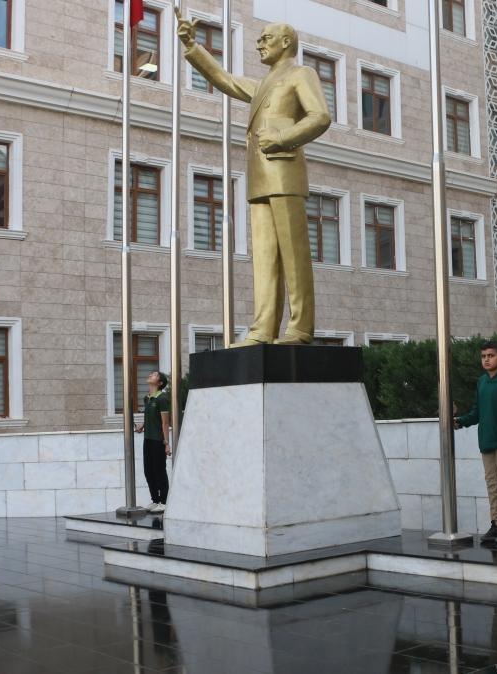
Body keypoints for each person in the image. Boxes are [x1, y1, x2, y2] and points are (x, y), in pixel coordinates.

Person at [177, 12, 331, 345]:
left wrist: (283, 137)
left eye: (265, 38)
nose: (259, 44)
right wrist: (192, 46)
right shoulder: (263, 84)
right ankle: (263, 328)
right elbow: (223, 78)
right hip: (260, 176)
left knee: (294, 255)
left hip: (285, 171)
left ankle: (301, 327)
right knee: (264, 259)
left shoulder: (301, 74)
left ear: (286, 42)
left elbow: (320, 116)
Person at [455, 341, 497, 547]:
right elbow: (478, 412)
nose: (486, 359)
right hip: (487, 442)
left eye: (491, 356)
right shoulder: (482, 382)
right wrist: (460, 422)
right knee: (493, 485)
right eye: (483, 356)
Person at [135, 371, 171, 513]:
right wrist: (142, 426)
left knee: (159, 470)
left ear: (160, 383)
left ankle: (164, 502)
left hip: (158, 440)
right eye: (151, 374)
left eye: (154, 375)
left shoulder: (162, 399)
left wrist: (166, 443)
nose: (150, 375)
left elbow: (165, 423)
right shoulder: (147, 398)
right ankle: (155, 500)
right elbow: (150, 416)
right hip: (148, 439)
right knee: (148, 471)